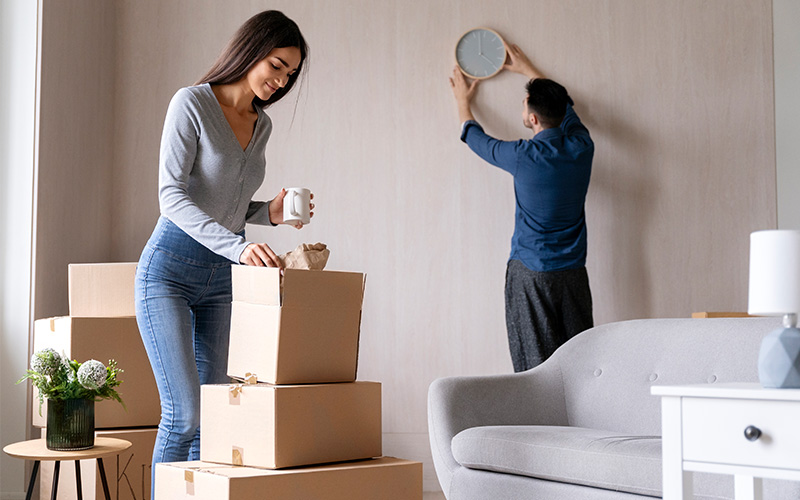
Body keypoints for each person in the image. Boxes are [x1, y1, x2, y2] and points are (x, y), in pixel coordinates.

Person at [133, 10, 311, 489]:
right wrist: (238, 246)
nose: (280, 80)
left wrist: (267, 212)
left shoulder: (262, 124)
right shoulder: (190, 103)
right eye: (276, 65)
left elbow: (226, 202)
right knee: (184, 414)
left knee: (214, 419)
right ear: (251, 49)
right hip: (167, 272)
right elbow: (172, 196)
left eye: (289, 74)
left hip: (220, 281)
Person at [449, 41, 594, 372]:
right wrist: (528, 68)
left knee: (534, 369)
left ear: (531, 118)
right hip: (573, 274)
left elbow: (474, 137)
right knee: (581, 363)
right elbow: (564, 104)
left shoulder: (522, 156)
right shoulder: (582, 146)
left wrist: (462, 100)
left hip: (530, 273)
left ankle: (539, 425)